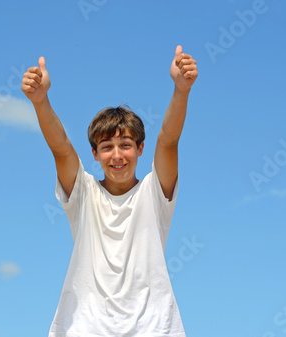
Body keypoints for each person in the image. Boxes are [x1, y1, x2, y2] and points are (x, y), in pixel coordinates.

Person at [22, 45, 198, 336]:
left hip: (152, 328)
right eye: (107, 147)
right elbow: (61, 148)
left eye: (126, 145)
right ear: (94, 153)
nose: (117, 155)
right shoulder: (83, 194)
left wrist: (181, 90)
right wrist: (40, 101)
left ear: (140, 149)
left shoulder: (154, 194)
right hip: (85, 327)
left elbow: (168, 141)